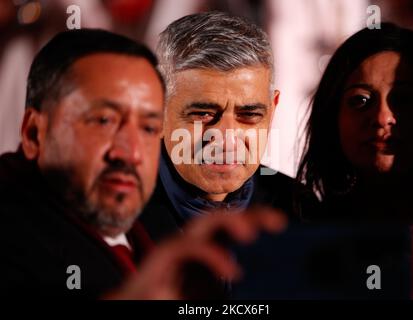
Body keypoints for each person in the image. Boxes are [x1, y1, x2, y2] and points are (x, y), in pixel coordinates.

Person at [0, 28, 287, 299]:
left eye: (149, 128)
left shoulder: (133, 232)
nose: (132, 152)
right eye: (104, 121)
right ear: (34, 133)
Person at [296, 23, 413, 299]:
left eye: (403, 99)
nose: (382, 118)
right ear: (333, 117)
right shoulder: (299, 239)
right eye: (361, 100)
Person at [139, 11, 295, 242]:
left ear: (271, 112)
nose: (227, 137)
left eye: (249, 114)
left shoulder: (299, 210)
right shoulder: (114, 215)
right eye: (203, 114)